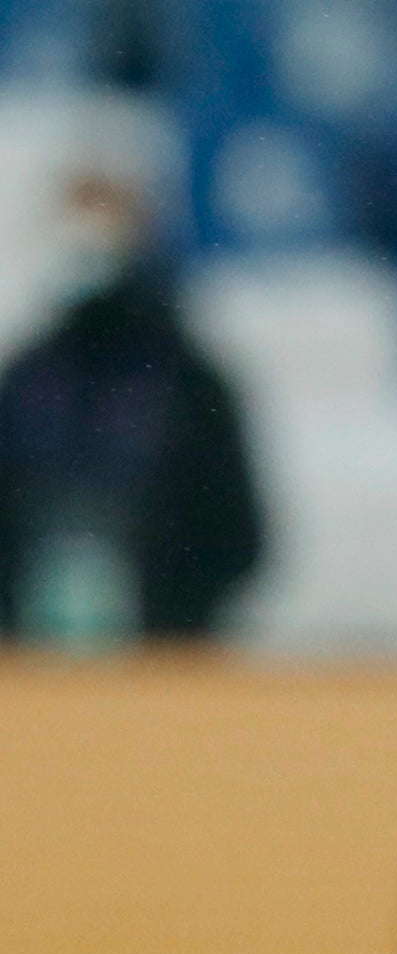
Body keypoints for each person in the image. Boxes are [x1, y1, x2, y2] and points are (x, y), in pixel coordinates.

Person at [0, 150, 266, 645]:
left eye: (103, 226)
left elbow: (238, 538)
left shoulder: (191, 381)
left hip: (159, 661)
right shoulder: (23, 380)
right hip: (30, 670)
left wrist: (161, 608)